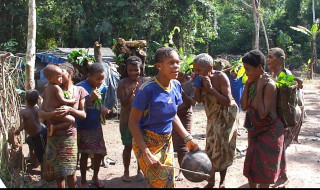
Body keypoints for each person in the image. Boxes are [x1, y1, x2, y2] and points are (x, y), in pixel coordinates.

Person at [128, 47, 199, 188]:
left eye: (177, 62)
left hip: (167, 142)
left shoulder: (176, 86)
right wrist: (146, 152)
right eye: (171, 63)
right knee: (159, 183)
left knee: (168, 182)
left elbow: (173, 115)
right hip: (146, 142)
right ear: (159, 66)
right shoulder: (146, 89)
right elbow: (132, 123)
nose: (176, 66)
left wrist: (187, 137)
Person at [240, 50, 286, 188]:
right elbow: (243, 106)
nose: (246, 72)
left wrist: (260, 89)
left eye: (248, 69)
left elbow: (262, 114)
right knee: (251, 169)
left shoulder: (269, 86)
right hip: (255, 132)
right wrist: (247, 85)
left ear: (259, 67)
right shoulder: (251, 84)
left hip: (269, 134)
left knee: (264, 174)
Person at [193, 53, 239, 188]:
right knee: (211, 147)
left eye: (199, 70)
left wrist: (211, 88)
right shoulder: (200, 80)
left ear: (210, 68)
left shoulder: (220, 77)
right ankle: (211, 181)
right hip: (212, 118)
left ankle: (222, 181)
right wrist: (197, 85)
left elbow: (227, 101)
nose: (197, 72)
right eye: (195, 70)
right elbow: (198, 100)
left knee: (224, 148)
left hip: (226, 117)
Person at [39, 62, 88, 188]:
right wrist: (53, 113)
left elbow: (83, 115)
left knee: (71, 170)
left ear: (69, 73)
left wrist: (70, 110)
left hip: (69, 136)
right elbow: (41, 112)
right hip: (53, 136)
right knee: (58, 172)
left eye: (62, 73)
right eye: (57, 74)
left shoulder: (79, 90)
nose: (59, 76)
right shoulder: (50, 88)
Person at [266, 47, 304, 188]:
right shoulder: (272, 74)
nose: (268, 59)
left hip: (288, 118)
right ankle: (279, 175)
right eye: (267, 57)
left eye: (271, 57)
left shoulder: (285, 75)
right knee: (278, 147)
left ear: (281, 60)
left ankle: (283, 176)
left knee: (280, 147)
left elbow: (287, 103)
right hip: (279, 117)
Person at [76, 63, 111, 188]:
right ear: (89, 76)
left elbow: (100, 104)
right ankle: (83, 181)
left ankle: (95, 177)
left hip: (96, 125)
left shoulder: (103, 88)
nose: (100, 81)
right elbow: (76, 108)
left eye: (103, 78)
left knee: (99, 153)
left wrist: (103, 109)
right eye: (98, 78)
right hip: (82, 126)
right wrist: (90, 98)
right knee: (84, 154)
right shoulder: (79, 88)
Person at [117, 56, 150, 182]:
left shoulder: (146, 81)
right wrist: (131, 92)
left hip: (144, 121)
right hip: (127, 120)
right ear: (127, 69)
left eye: (136, 70)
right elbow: (124, 103)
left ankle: (140, 170)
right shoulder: (123, 83)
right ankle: (126, 171)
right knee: (128, 146)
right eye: (130, 70)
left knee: (142, 146)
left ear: (140, 69)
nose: (133, 73)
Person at [172, 71, 196, 181]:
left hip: (185, 114)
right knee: (170, 142)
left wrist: (181, 91)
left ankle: (181, 171)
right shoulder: (171, 80)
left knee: (183, 143)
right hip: (171, 114)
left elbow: (192, 102)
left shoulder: (192, 84)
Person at [15, 89, 47, 171]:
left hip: (39, 134)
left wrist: (16, 131)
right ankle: (34, 163)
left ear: (25, 100)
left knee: (41, 155)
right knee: (30, 142)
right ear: (36, 100)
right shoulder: (37, 108)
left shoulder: (23, 112)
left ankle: (44, 176)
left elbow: (22, 126)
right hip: (39, 131)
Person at [42, 64, 77, 136]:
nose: (61, 78)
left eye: (61, 76)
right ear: (50, 78)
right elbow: (62, 100)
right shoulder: (56, 87)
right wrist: (72, 100)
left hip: (48, 110)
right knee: (72, 120)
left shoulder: (48, 86)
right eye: (58, 77)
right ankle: (54, 127)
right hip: (55, 111)